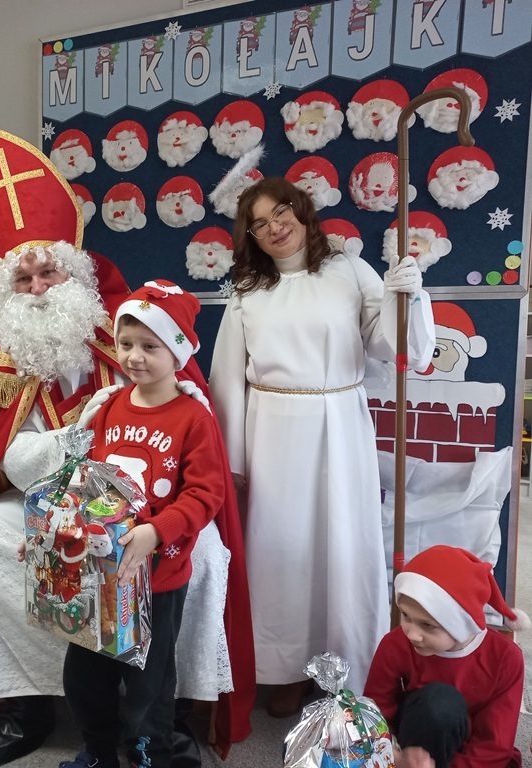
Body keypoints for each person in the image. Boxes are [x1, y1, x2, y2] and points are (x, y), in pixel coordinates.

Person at [0, 130, 255, 762]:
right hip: (52, 497)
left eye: (49, 271)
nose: (39, 287)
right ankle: (21, 705)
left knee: (203, 552)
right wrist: (73, 445)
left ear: (76, 270)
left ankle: (168, 710)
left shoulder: (131, 335)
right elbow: (14, 462)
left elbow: (191, 449)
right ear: (6, 288)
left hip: (150, 505)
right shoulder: (7, 355)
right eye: (23, 278)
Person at [209, 176, 435, 716]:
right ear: (250, 237)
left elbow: (394, 346)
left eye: (280, 212)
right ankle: (284, 668)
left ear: (302, 210)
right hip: (273, 432)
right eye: (258, 224)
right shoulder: (246, 291)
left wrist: (407, 296)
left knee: (342, 544)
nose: (274, 228)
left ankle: (346, 666)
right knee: (281, 549)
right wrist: (233, 463)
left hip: (340, 424)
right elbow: (226, 380)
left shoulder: (349, 269)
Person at [59, 279, 225, 768]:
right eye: (126, 343)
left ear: (177, 352)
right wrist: (54, 532)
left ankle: (148, 756)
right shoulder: (109, 406)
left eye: (150, 346)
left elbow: (206, 493)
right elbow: (85, 479)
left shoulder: (194, 418)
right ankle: (97, 751)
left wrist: (159, 529)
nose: (134, 357)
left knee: (149, 682)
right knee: (86, 674)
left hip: (158, 578)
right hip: (100, 574)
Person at [363, 545, 528, 768]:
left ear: (461, 623)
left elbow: (495, 744)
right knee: (437, 705)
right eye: (406, 616)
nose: (412, 633)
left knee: (442, 703)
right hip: (416, 747)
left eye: (427, 625)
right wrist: (391, 754)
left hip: (476, 759)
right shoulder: (396, 643)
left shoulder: (506, 658)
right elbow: (374, 712)